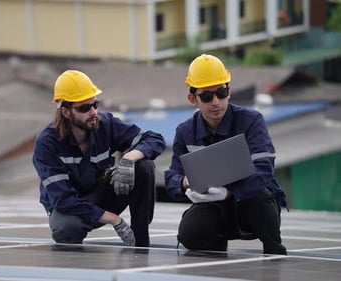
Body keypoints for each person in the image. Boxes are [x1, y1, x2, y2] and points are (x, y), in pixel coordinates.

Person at [164, 54, 288, 255]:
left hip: (252, 207)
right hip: (214, 208)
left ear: (229, 91)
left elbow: (264, 170)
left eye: (221, 92)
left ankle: (274, 249)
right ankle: (217, 252)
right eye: (206, 96)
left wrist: (229, 192)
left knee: (260, 198)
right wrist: (186, 183)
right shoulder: (185, 132)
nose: (215, 102)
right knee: (190, 232)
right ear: (192, 99)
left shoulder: (251, 121)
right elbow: (172, 178)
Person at [33, 70, 166, 247]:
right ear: (65, 112)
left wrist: (128, 159)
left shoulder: (106, 124)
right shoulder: (47, 143)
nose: (93, 112)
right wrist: (115, 220)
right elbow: (64, 200)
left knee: (144, 166)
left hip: (102, 193)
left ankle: (140, 240)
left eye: (95, 104)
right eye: (84, 108)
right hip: (72, 206)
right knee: (65, 228)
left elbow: (154, 139)